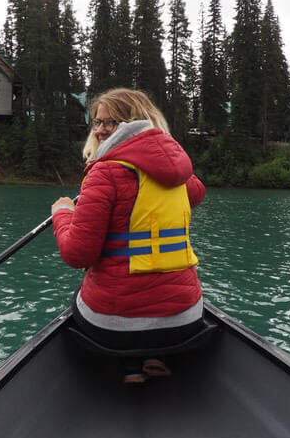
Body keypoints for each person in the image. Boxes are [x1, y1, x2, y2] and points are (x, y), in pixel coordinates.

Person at [51, 87, 206, 383]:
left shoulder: (104, 173)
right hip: (186, 320)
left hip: (114, 328)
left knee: (81, 295)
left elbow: (77, 254)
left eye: (109, 122)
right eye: (96, 122)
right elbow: (195, 191)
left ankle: (128, 364)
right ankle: (154, 358)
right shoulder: (177, 175)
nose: (100, 130)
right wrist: (163, 150)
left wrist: (63, 213)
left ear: (132, 122)